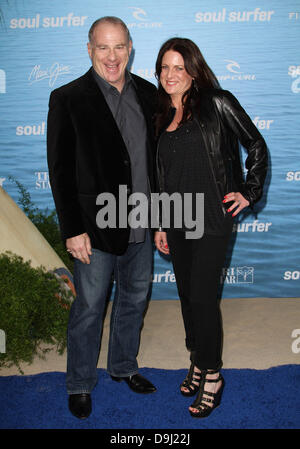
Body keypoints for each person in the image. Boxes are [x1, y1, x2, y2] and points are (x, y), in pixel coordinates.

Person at [47, 16, 157, 420]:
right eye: (103, 47)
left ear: (130, 48)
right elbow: (59, 171)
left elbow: (154, 162)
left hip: (142, 222)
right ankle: (79, 383)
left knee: (134, 299)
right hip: (93, 229)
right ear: (89, 49)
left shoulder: (149, 93)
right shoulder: (67, 97)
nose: (112, 57)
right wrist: (72, 229)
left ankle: (123, 367)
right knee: (90, 307)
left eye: (120, 47)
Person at [154, 38, 268, 418]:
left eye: (179, 68)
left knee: (203, 298)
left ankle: (213, 376)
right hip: (176, 218)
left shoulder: (218, 102)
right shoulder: (159, 114)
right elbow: (161, 178)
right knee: (187, 296)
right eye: (165, 68)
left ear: (193, 70)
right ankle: (198, 361)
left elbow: (255, 143)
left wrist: (250, 191)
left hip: (213, 218)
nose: (171, 75)